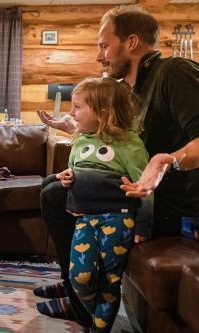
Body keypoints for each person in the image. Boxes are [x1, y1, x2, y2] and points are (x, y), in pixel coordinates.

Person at [35, 4, 199, 325]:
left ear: (132, 42)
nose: (99, 56)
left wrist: (167, 161)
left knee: (54, 195)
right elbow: (119, 141)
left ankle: (83, 301)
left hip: (168, 203)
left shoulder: (174, 72)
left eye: (104, 45)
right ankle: (77, 283)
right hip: (135, 189)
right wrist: (75, 128)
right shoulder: (131, 91)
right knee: (52, 184)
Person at [50, 77, 151, 333]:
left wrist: (143, 226)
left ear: (102, 111)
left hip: (118, 219)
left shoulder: (130, 145)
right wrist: (67, 178)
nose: (72, 114)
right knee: (80, 277)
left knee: (109, 280)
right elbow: (75, 172)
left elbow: (146, 188)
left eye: (78, 107)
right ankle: (101, 317)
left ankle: (99, 328)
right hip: (85, 218)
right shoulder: (81, 140)